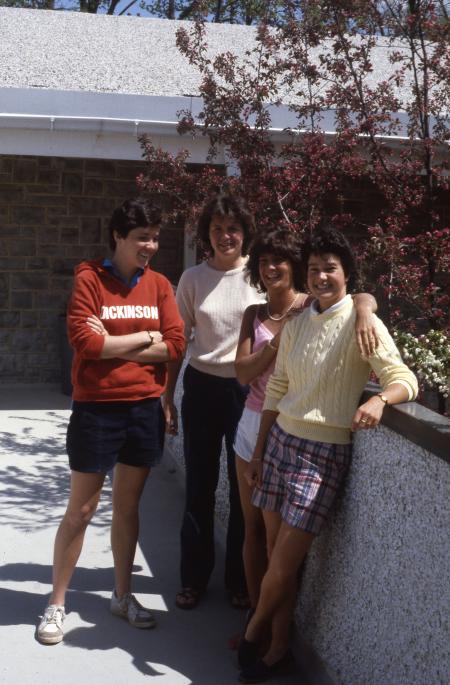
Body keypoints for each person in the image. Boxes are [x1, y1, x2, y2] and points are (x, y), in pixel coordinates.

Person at [238, 227, 418, 683]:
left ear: (346, 273)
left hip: (323, 454)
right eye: (314, 268)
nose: (320, 276)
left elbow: (403, 378)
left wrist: (379, 400)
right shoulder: (297, 324)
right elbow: (276, 390)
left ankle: (251, 630)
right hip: (280, 442)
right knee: (279, 557)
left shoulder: (364, 321)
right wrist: (258, 453)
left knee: (283, 563)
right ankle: (277, 648)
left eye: (330, 268)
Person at [37, 198, 185, 645]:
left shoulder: (159, 284)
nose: (151, 246)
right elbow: (85, 341)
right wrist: (144, 337)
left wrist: (114, 341)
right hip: (97, 409)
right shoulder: (90, 280)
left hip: (143, 408)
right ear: (118, 237)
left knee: (128, 508)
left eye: (155, 238)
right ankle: (57, 603)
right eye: (142, 237)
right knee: (81, 510)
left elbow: (176, 343)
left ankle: (122, 596)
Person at [234, 227, 379, 618]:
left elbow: (357, 297)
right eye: (263, 261)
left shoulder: (306, 306)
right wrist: (278, 345)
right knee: (255, 531)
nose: (270, 268)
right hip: (256, 423)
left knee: (283, 550)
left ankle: (271, 633)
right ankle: (254, 615)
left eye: (279, 260)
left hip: (294, 431)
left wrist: (365, 307)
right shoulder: (257, 314)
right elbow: (243, 374)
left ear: (295, 266)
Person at [163, 191, 265, 611]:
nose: (225, 236)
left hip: (248, 393)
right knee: (199, 488)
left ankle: (239, 581)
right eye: (217, 228)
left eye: (233, 229)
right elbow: (176, 342)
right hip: (202, 389)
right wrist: (167, 397)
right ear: (207, 233)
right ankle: (193, 579)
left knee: (244, 492)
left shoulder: (261, 277)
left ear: (245, 233)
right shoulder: (192, 279)